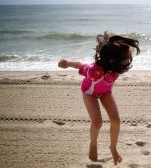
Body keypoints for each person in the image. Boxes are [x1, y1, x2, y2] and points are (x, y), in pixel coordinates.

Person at [58, 31, 140, 165]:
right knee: (97, 122)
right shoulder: (94, 70)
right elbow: (80, 65)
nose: (127, 62)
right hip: (89, 93)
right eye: (125, 59)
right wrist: (67, 63)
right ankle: (93, 144)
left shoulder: (116, 68)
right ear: (113, 61)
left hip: (106, 92)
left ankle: (113, 147)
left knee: (116, 120)